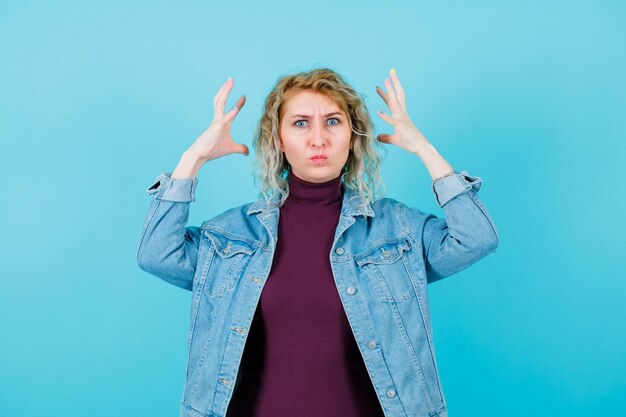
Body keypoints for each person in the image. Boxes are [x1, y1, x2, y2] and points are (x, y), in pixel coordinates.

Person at [137, 67, 499, 417]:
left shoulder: (396, 230)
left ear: (353, 135)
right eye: (300, 123)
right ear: (278, 139)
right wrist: (192, 159)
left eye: (333, 121)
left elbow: (476, 238)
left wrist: (423, 147)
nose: (318, 139)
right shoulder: (232, 235)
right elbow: (157, 254)